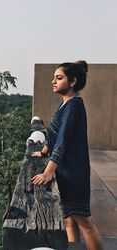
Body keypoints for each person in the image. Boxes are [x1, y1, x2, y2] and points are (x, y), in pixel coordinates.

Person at [31, 61, 104, 250]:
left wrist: (47, 173)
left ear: (72, 81)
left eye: (59, 78)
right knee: (69, 220)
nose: (53, 81)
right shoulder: (66, 105)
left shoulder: (73, 106)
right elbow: (55, 133)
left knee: (86, 223)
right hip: (65, 173)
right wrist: (45, 150)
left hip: (74, 174)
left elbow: (63, 141)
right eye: (54, 77)